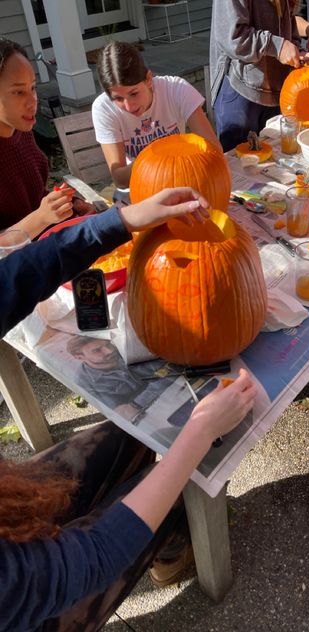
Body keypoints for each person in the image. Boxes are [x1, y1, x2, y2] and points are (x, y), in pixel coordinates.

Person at [0, 187, 257, 631]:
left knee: (133, 436)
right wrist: (195, 435)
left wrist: (121, 221)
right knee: (184, 478)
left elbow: (14, 280)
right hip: (35, 606)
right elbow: (85, 561)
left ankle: (171, 538)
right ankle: (174, 541)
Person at [92, 41, 222, 189]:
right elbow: (120, 179)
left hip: (181, 178)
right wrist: (159, 159)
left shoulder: (176, 89)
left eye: (134, 93)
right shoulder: (103, 108)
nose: (129, 106)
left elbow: (214, 151)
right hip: (142, 186)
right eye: (118, 99)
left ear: (148, 79)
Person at [209, 0, 309, 152]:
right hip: (239, 90)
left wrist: (300, 54)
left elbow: (288, 30)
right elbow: (232, 38)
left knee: (272, 166)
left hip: (274, 92)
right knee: (238, 164)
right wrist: (278, 46)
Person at [0, 38, 78, 237]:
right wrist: (41, 218)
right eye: (18, 92)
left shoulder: (23, 132)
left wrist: (70, 206)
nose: (32, 101)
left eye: (33, 88)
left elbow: (32, 200)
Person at [66, 336, 179, 423]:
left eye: (108, 343)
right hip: (153, 414)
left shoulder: (126, 347)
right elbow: (121, 412)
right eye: (97, 350)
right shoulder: (84, 382)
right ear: (80, 357)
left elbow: (173, 370)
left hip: (178, 392)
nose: (109, 350)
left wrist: (136, 404)